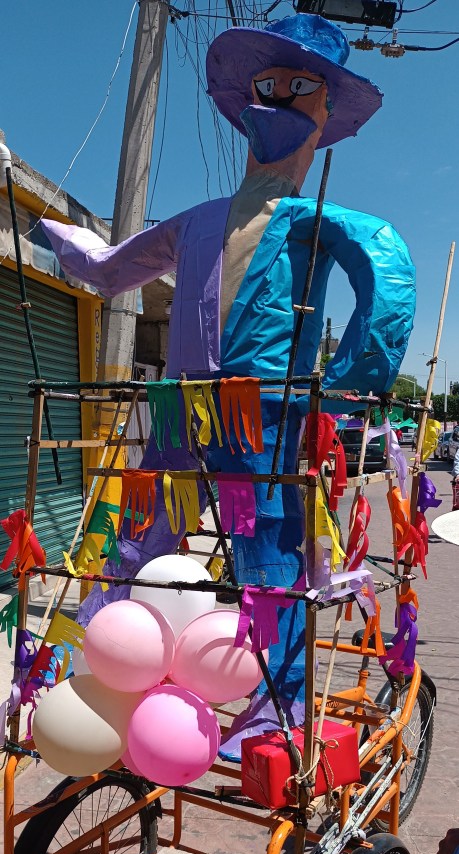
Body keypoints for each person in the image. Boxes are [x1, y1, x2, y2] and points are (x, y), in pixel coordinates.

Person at [42, 14, 415, 759]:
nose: (276, 96)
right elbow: (114, 268)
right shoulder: (197, 221)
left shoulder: (316, 220)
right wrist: (63, 237)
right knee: (140, 532)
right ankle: (111, 661)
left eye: (297, 85)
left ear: (324, 111)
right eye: (266, 83)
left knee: (268, 553)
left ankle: (277, 702)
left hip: (263, 409)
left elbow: (387, 265)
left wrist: (346, 384)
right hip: (179, 406)